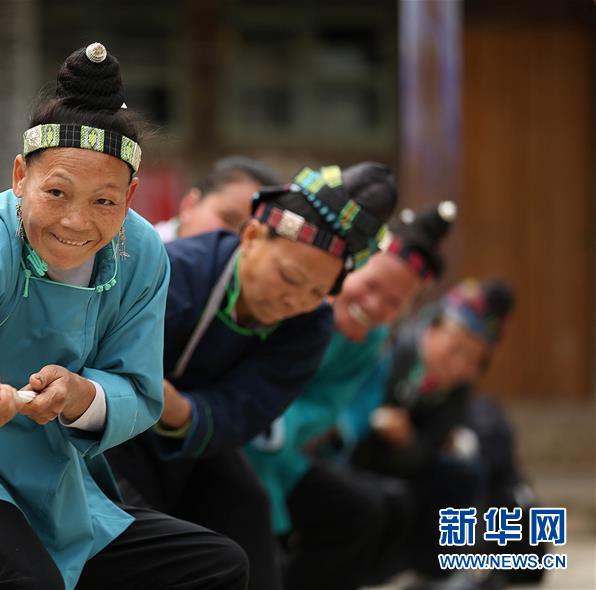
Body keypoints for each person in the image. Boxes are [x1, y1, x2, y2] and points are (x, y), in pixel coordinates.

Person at [0, 43, 248, 590]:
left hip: (50, 474)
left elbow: (138, 389)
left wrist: (81, 396)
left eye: (104, 201)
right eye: (56, 192)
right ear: (20, 177)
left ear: (130, 196)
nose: (76, 221)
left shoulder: (143, 253)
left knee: (215, 567)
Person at [108, 162, 397, 590]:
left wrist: (182, 409)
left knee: (246, 507)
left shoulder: (311, 323)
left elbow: (251, 406)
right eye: (289, 277)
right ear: (252, 236)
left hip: (195, 435)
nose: (294, 300)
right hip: (114, 428)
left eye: (316, 293)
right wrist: (148, 397)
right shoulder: (178, 270)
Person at [245, 200, 456, 590]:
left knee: (363, 511)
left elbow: (337, 403)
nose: (374, 306)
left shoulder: (373, 339)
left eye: (393, 303)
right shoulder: (297, 297)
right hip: (237, 432)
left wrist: (325, 428)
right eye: (371, 286)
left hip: (289, 448)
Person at [351, 278, 516, 580]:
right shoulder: (390, 351)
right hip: (356, 456)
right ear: (432, 329)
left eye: (473, 361)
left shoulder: (456, 391)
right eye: (455, 350)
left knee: (466, 473)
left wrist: (407, 441)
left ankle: (439, 573)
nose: (459, 365)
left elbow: (429, 447)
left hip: (403, 461)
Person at [154, 156, 281, 242]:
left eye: (252, 234)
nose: (234, 239)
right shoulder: (146, 254)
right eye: (228, 219)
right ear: (190, 204)